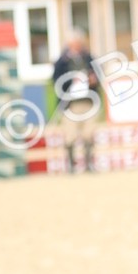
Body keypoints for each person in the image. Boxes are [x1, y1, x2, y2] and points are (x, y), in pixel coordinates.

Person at [52, 30, 101, 172]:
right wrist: (70, 81)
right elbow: (57, 82)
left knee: (89, 133)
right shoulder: (62, 62)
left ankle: (89, 164)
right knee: (70, 135)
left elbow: (98, 76)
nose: (77, 46)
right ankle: (71, 165)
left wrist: (93, 80)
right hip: (70, 104)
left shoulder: (89, 58)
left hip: (88, 102)